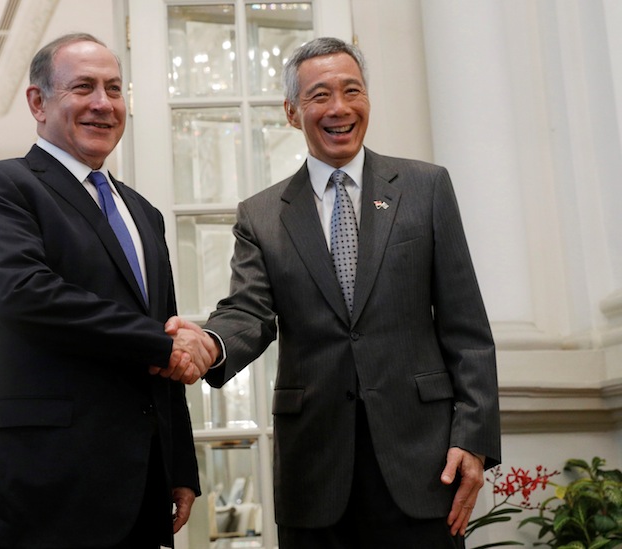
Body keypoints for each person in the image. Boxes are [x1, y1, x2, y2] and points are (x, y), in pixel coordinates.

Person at [163, 37, 501, 548]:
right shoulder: (262, 214)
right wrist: (209, 343)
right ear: (292, 112)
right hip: (314, 466)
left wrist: (472, 440)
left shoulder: (426, 188)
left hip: (422, 459)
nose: (339, 108)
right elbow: (249, 312)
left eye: (352, 91)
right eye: (320, 95)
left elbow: (467, 327)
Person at [0, 33, 213, 549]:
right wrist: (165, 344)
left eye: (114, 89)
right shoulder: (0, 186)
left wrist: (179, 461)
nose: (103, 103)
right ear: (38, 102)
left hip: (136, 488)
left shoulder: (143, 213)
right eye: (83, 87)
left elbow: (165, 325)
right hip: (31, 487)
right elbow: (25, 295)